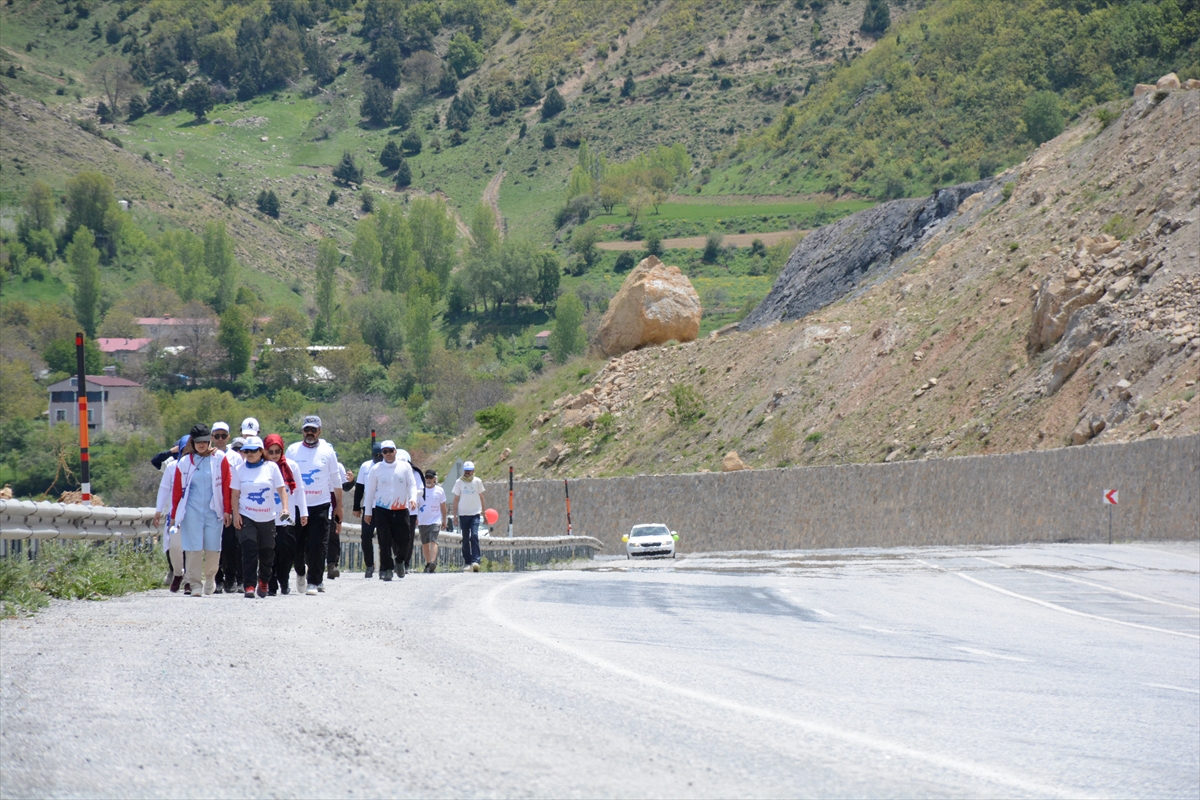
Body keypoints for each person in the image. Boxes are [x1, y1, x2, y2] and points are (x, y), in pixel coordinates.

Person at [169, 424, 233, 596]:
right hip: (192, 511)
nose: (202, 445)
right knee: (193, 548)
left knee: (213, 547)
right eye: (198, 442)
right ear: (193, 442)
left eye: (205, 441)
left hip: (214, 510)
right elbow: (177, 491)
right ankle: (195, 584)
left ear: (210, 440)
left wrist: (228, 510)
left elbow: (227, 484)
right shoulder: (185, 462)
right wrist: (174, 514)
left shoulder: (219, 458)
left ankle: (210, 577)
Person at [285, 416, 343, 596]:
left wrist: (339, 506)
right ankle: (300, 572)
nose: (310, 433)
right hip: (297, 505)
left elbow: (336, 480)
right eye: (306, 429)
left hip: (321, 504)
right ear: (302, 431)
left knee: (317, 545)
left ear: (320, 431)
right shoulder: (293, 450)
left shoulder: (327, 451)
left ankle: (314, 580)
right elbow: (284, 478)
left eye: (313, 430)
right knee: (297, 545)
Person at [230, 436, 288, 599]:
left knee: (267, 552)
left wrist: (285, 508)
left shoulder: (271, 468)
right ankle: (249, 585)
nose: (249, 454)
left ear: (261, 451)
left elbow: (282, 490)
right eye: (246, 451)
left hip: (267, 517)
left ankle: (264, 580)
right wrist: (236, 514)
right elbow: (235, 495)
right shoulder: (240, 469)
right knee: (249, 548)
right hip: (247, 515)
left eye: (253, 450)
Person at [362, 440, 418, 581]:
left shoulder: (405, 467)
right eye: (384, 451)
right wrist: (368, 512)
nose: (388, 454)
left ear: (395, 451)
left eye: (390, 451)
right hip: (382, 509)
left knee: (404, 539)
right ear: (381, 453)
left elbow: (412, 485)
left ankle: (399, 560)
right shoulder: (376, 469)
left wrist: (413, 499)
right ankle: (387, 569)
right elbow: (370, 492)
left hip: (401, 509)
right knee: (384, 540)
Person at [264, 433, 306, 595]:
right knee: (269, 551)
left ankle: (284, 578)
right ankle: (271, 582)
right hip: (266, 516)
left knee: (286, 551)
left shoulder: (291, 466)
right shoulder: (261, 466)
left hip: (287, 517)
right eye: (270, 451)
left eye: (277, 451)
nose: (274, 455)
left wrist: (303, 513)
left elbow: (299, 490)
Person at [153, 434, 188, 591]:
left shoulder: (198, 464)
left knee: (189, 545)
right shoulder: (171, 465)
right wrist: (171, 451)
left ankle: (188, 578)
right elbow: (155, 460)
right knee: (171, 544)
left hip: (190, 511)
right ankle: (174, 570)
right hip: (172, 512)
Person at [211, 421, 242, 594]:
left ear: (228, 437)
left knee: (230, 545)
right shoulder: (209, 455)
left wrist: (231, 509)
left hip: (229, 506)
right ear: (212, 437)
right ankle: (216, 578)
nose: (220, 439)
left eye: (223, 436)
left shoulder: (235, 457)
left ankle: (230, 578)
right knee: (215, 544)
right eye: (217, 436)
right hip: (213, 506)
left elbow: (236, 484)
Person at [353, 443, 383, 578]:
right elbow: (359, 487)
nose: (378, 457)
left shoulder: (388, 467)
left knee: (385, 537)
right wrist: (356, 507)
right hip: (369, 506)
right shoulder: (365, 466)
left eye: (380, 455)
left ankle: (385, 566)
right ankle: (369, 565)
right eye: (376, 455)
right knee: (366, 535)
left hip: (385, 507)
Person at [452, 461, 485, 572]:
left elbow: (481, 497)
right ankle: (467, 561)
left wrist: (484, 513)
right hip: (463, 514)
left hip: (475, 513)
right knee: (465, 538)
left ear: (473, 471)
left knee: (474, 535)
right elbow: (456, 499)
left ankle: (476, 561)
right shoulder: (459, 482)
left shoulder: (477, 482)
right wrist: (455, 516)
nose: (467, 472)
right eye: (466, 470)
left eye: (469, 470)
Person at [417, 469, 447, 573]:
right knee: (425, 543)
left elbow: (443, 506)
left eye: (431, 478)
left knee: (433, 540)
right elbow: (415, 505)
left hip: (435, 520)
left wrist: (444, 519)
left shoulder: (439, 490)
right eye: (427, 477)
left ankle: (433, 562)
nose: (428, 480)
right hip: (422, 520)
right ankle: (428, 563)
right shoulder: (420, 491)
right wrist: (415, 517)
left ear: (435, 479)